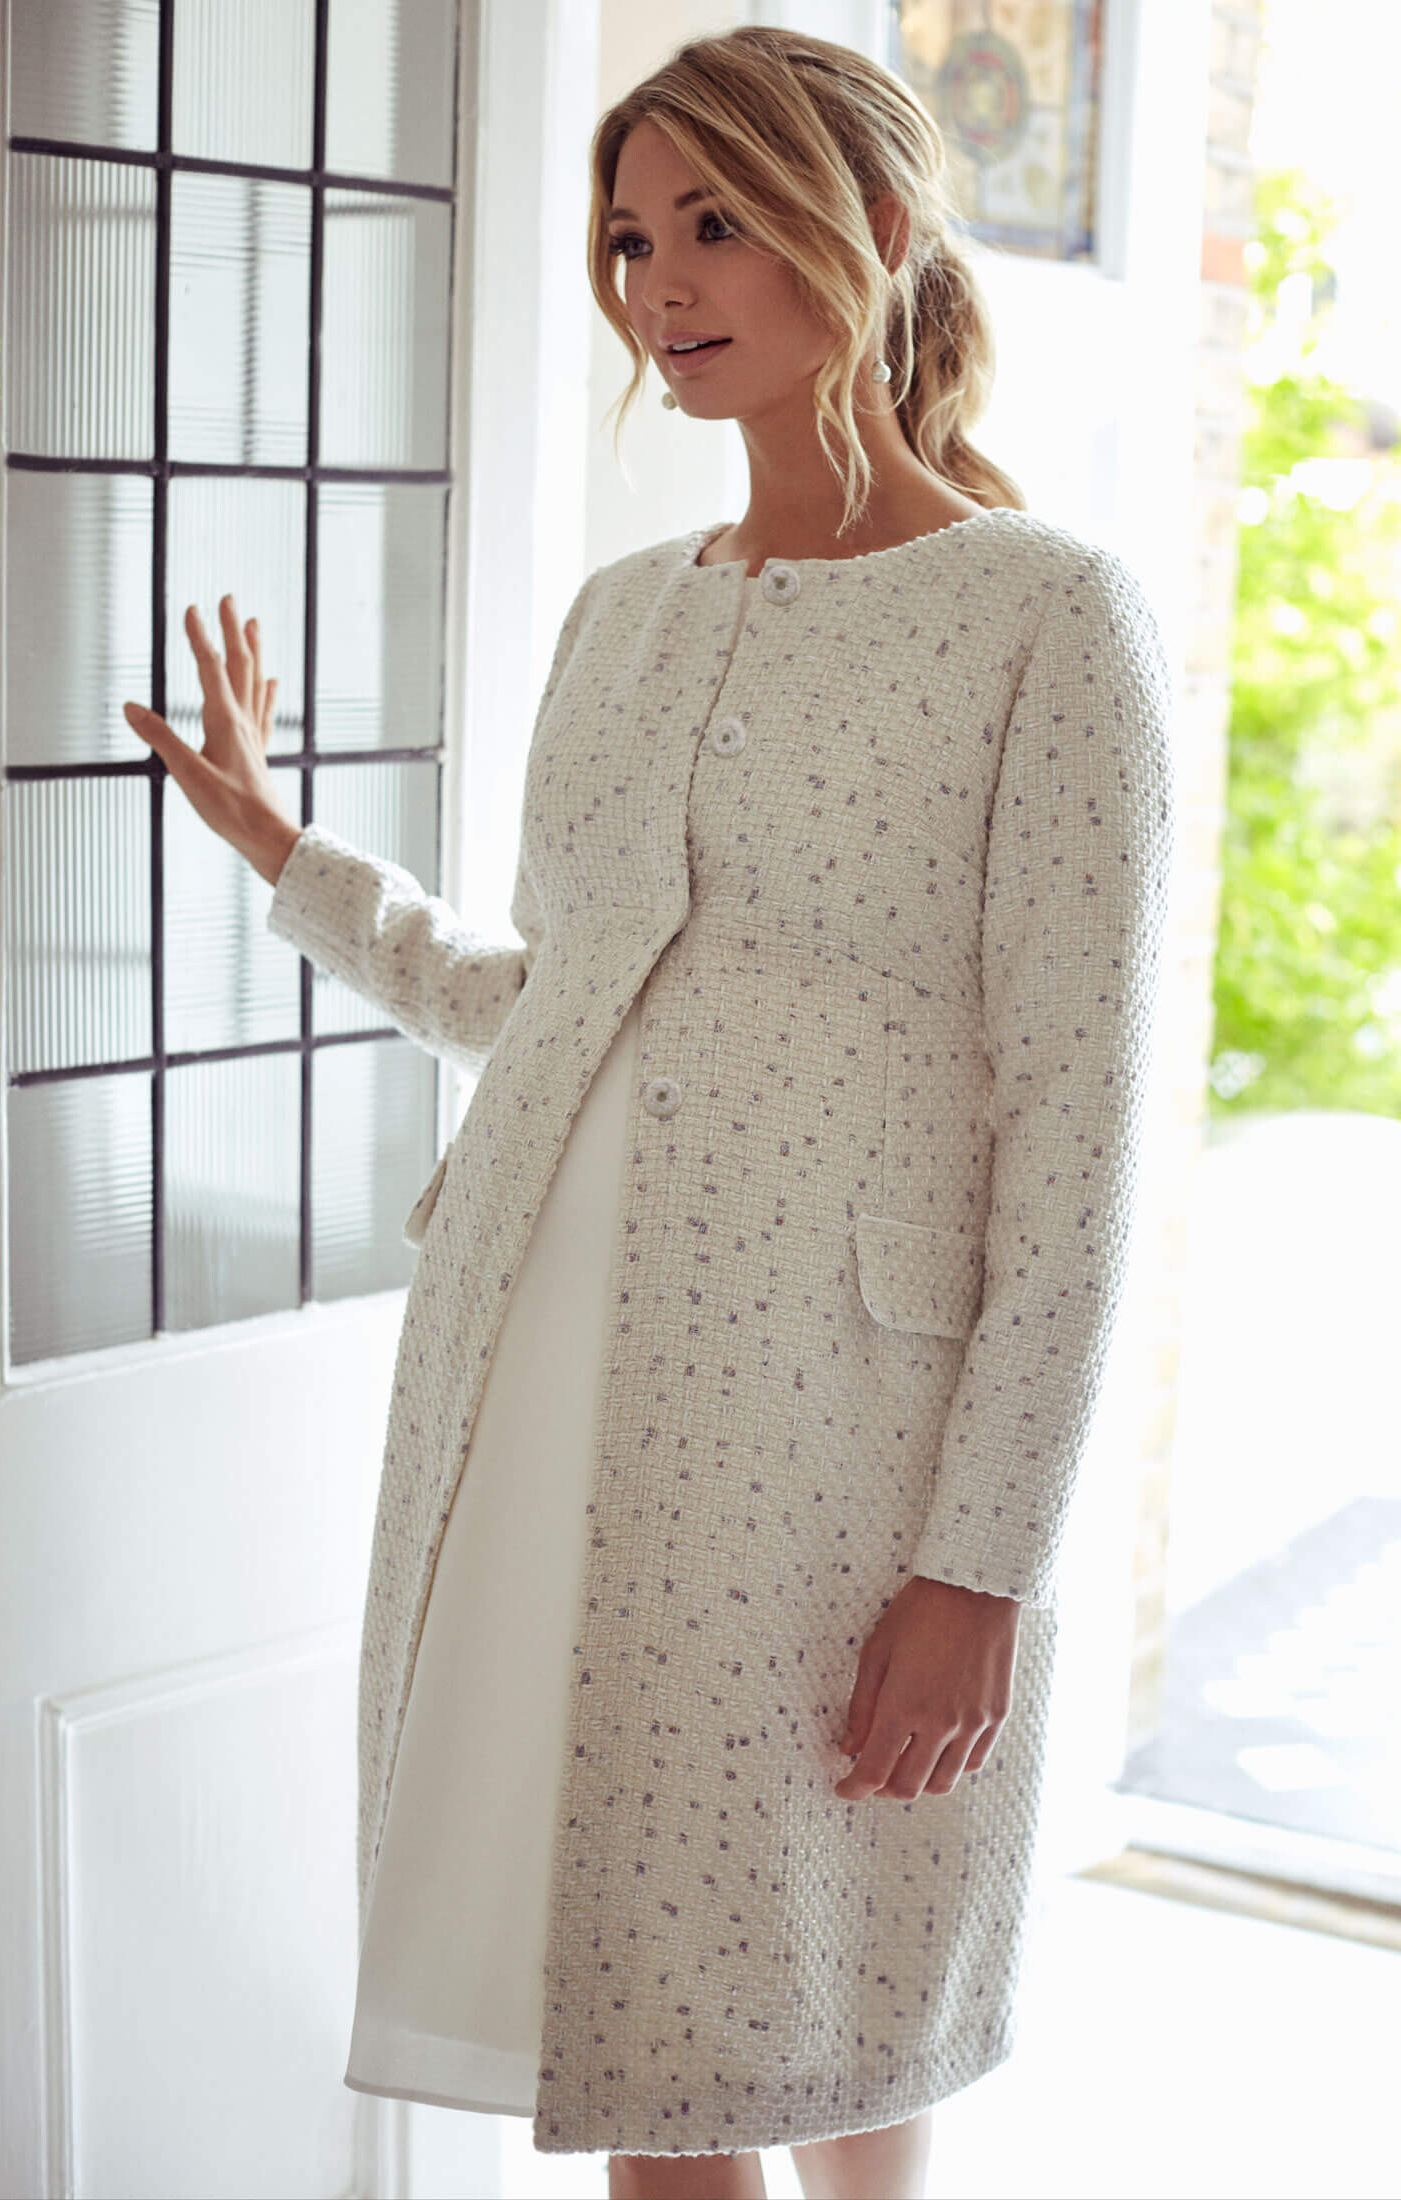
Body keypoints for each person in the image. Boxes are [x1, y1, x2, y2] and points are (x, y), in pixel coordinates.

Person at [122, 26, 1175, 2200]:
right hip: (537, 1380)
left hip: (830, 1433)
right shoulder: (620, 621)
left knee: (835, 1984)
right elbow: (555, 1009)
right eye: (627, 239)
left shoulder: (1047, 616)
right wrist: (289, 856)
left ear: (872, 225)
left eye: (713, 223)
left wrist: (979, 1561)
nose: (659, 283)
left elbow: (1080, 1140)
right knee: (643, 2028)